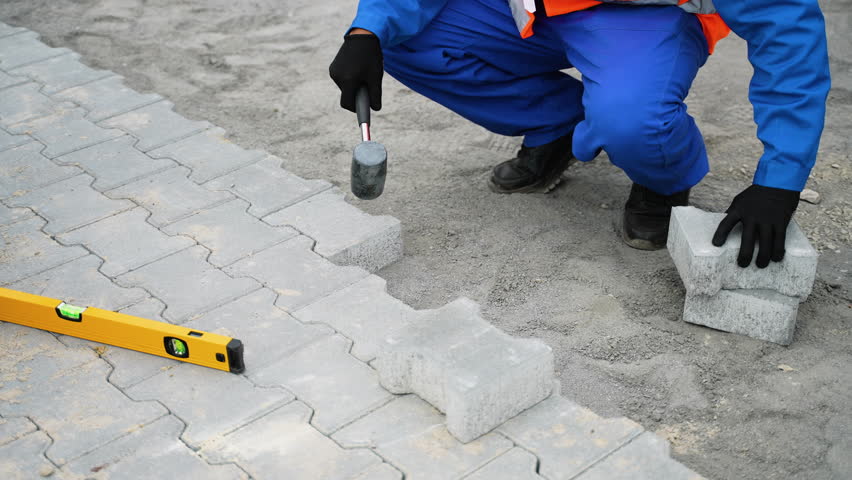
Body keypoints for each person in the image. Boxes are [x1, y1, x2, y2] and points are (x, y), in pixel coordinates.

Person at [329, 0, 830, 268]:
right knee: (400, 38)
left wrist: (779, 180)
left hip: (643, 16)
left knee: (632, 120)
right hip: (534, 6)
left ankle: (662, 176)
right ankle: (558, 125)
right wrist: (368, 29)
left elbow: (787, 30)